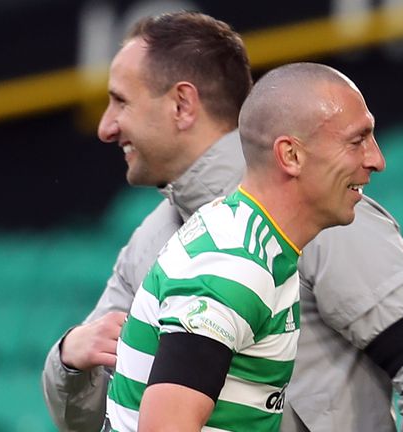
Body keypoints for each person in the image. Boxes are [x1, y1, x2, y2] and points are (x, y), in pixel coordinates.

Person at [42, 11, 403, 432]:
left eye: (120, 101)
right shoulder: (154, 242)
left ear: (182, 105)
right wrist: (68, 358)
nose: (105, 127)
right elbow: (96, 418)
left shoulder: (323, 207)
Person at [108, 61, 381, 432]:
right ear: (291, 156)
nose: (375, 160)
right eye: (357, 141)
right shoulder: (232, 265)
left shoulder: (250, 240)